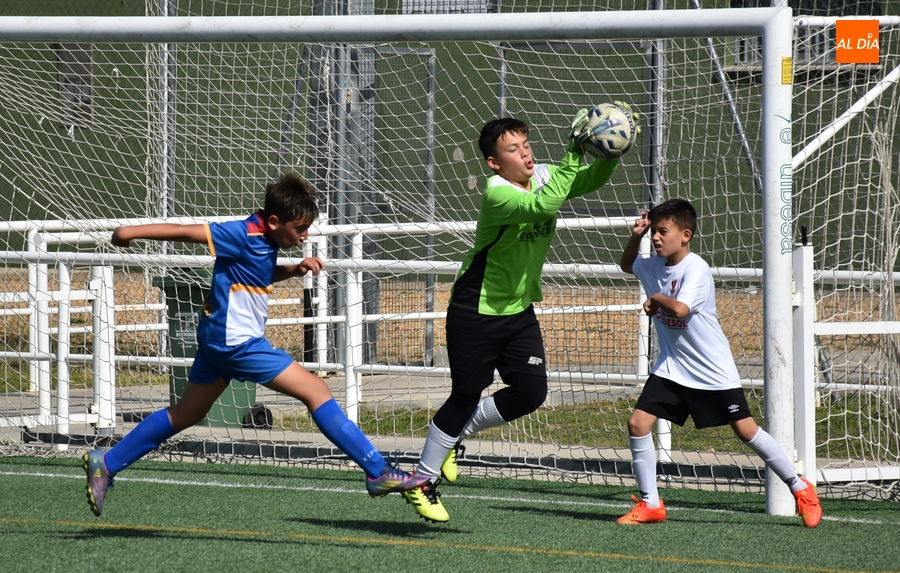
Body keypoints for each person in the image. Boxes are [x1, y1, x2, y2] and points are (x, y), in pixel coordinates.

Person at [82, 171, 428, 517]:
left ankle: (107, 462)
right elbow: (186, 231)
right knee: (317, 391)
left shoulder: (266, 239)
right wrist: (129, 233)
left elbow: (254, 269)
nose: (305, 235)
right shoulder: (241, 233)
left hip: (220, 340)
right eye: (300, 229)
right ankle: (378, 472)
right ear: (275, 221)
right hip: (237, 343)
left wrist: (292, 270)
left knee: (187, 413)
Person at [401, 109, 629, 522]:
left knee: (530, 392)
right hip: (476, 309)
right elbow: (544, 206)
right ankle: (421, 479)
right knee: (466, 394)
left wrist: (608, 149)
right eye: (513, 149)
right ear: (494, 162)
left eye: (526, 145)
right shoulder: (497, 193)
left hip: (519, 310)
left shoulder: (543, 173)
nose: (525, 154)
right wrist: (574, 154)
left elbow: (587, 180)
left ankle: (456, 436)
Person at [616, 198, 822, 527]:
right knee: (638, 423)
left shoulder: (695, 268)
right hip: (673, 367)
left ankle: (801, 489)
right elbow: (628, 265)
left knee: (745, 430)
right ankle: (651, 503)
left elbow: (680, 309)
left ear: (685, 235)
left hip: (712, 370)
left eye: (662, 231)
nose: (656, 237)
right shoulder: (654, 264)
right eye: (653, 231)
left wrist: (655, 298)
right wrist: (636, 235)